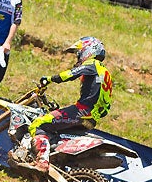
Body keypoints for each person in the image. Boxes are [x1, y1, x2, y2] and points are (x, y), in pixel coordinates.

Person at [13, 36, 112, 173]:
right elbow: (107, 107)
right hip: (91, 118)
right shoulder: (105, 72)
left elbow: (70, 74)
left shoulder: (92, 64)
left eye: (79, 52)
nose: (78, 56)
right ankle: (51, 156)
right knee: (53, 127)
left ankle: (42, 162)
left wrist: (49, 79)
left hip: (82, 111)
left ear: (89, 50)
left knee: (39, 123)